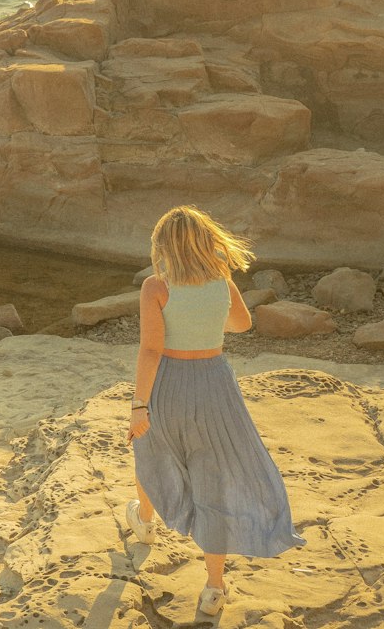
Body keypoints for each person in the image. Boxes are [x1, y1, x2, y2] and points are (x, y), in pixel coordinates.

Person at [125, 205, 305, 617]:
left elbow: (151, 349)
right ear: (207, 242)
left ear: (163, 246)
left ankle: (146, 523)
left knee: (151, 448)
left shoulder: (157, 286)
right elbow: (241, 325)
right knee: (214, 477)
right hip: (215, 385)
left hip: (169, 382)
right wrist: (203, 319)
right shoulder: (222, 281)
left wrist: (139, 405)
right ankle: (213, 588)